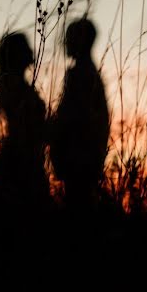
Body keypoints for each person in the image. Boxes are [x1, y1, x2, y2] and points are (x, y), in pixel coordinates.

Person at [49, 18, 110, 206]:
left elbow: (74, 119)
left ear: (81, 40)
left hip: (79, 159)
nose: (65, 42)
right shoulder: (90, 73)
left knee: (78, 209)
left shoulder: (80, 75)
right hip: (86, 158)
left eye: (69, 37)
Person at [0, 32, 49, 206]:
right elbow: (27, 123)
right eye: (26, 48)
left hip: (27, 155)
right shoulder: (11, 84)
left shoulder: (15, 84)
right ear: (17, 54)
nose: (31, 51)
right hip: (21, 157)